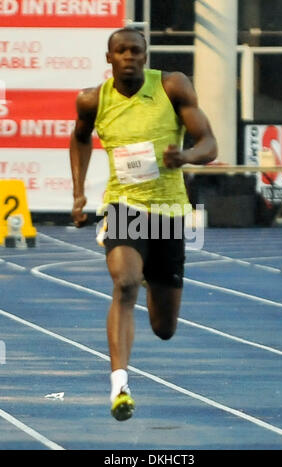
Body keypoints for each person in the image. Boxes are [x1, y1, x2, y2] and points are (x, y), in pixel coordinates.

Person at [69, 27, 217, 421]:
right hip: (124, 206)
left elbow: (209, 144)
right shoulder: (92, 99)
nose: (130, 57)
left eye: (137, 51)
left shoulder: (172, 87)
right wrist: (78, 192)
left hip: (168, 213)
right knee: (124, 283)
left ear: (146, 55)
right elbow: (80, 138)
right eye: (122, 51)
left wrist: (184, 156)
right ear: (109, 58)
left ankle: (153, 274)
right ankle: (119, 383)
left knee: (164, 327)